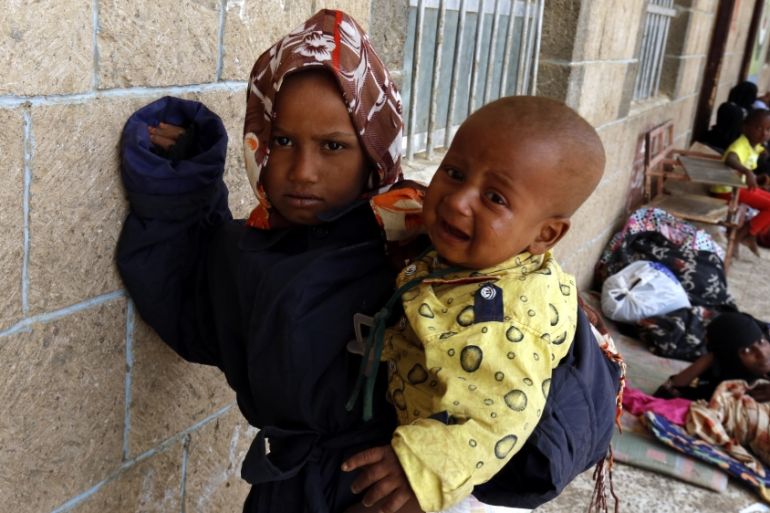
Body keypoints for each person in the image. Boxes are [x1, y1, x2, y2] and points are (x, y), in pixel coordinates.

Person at [117, 10, 407, 513]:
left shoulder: (420, 249)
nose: (303, 171)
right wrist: (182, 179)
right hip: (285, 493)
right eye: (283, 141)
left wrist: (434, 466)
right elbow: (185, 303)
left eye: (333, 146)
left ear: (374, 151)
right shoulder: (249, 251)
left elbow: (525, 385)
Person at [341, 97, 613, 513]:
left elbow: (497, 417)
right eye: (454, 173)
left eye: (495, 198)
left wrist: (420, 469)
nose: (457, 201)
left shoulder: (506, 323)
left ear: (545, 235)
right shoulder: (491, 256)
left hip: (466, 479)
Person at [656, 312, 770, 401]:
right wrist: (711, 356)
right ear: (731, 359)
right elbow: (664, 396)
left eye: (761, 341)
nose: (762, 353)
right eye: (746, 351)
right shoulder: (721, 385)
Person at [713, 108, 770, 256]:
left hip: (738, 187)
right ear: (745, 128)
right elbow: (730, 158)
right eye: (759, 128)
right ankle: (743, 235)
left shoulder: (755, 146)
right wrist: (747, 172)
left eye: (768, 129)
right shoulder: (741, 144)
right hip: (727, 191)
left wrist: (757, 178)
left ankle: (750, 234)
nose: (764, 133)